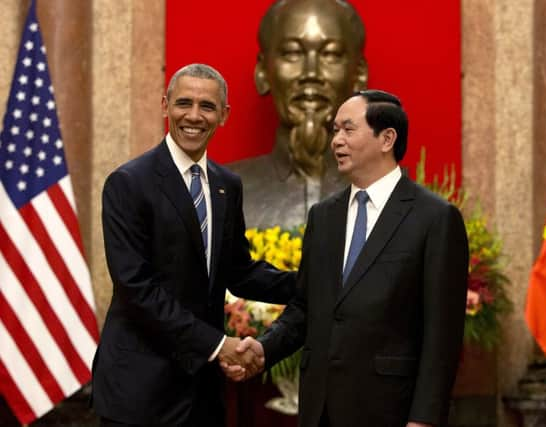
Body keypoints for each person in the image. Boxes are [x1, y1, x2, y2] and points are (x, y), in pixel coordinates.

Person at [226, 90, 469, 426]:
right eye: (335, 130)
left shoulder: (434, 218)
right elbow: (306, 308)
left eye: (347, 130)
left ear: (386, 139)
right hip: (319, 409)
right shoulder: (324, 216)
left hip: (390, 410)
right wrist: (264, 350)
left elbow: (442, 333)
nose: (335, 141)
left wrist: (424, 418)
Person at [91, 63, 295, 427]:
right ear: (165, 105)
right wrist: (219, 346)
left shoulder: (226, 184)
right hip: (140, 392)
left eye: (207, 106)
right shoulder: (128, 183)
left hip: (200, 395)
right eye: (184, 103)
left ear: (224, 115)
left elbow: (238, 271)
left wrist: (315, 280)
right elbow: (137, 288)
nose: (194, 116)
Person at [228, 0, 368, 229]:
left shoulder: (395, 194)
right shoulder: (222, 194)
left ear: (359, 74)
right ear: (262, 72)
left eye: (330, 54)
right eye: (292, 53)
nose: (310, 73)